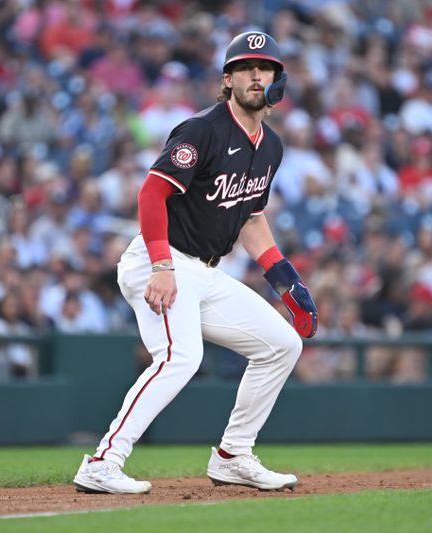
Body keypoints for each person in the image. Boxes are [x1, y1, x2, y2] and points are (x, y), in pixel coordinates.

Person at [73, 31, 318, 494]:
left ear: (278, 82)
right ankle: (103, 462)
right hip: (158, 258)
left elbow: (251, 218)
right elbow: (152, 193)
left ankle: (233, 456)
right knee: (181, 357)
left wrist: (286, 281)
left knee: (282, 346)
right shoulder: (202, 129)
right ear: (227, 80)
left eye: (263, 68)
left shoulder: (271, 147)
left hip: (204, 270)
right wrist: (163, 268)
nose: (254, 75)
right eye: (244, 68)